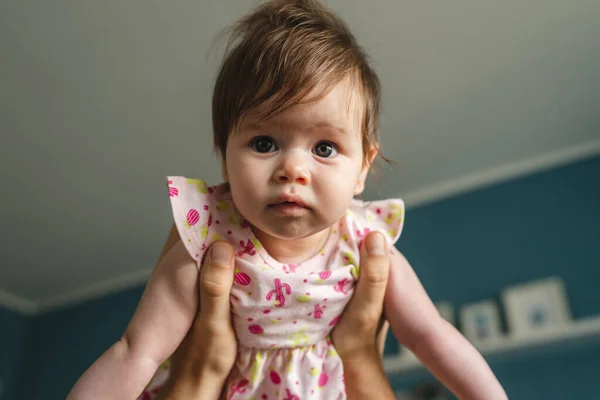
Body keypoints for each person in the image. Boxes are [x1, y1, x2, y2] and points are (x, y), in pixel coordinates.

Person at [68, 1, 507, 399]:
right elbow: (135, 352)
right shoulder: (206, 242)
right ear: (225, 157)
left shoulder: (366, 244)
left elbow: (430, 335)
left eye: (324, 148)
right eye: (263, 143)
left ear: (362, 169)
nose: (292, 169)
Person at [154, 235, 397, 400]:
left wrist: (198, 375)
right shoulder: (208, 229)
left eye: (323, 153)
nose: (294, 169)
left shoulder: (358, 232)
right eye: (263, 153)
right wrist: (360, 356)